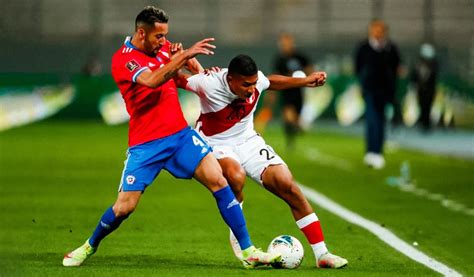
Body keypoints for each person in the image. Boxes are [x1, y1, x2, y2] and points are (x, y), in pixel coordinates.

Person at [62, 6, 280, 269]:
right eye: (158, 36)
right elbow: (153, 80)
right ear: (141, 33)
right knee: (124, 208)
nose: (163, 41)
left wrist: (197, 68)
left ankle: (248, 251)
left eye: (165, 35)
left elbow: (180, 76)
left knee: (219, 181)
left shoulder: (164, 51)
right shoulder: (124, 59)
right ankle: (89, 245)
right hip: (146, 145)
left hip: (180, 136)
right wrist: (184, 55)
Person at [183, 54, 348, 269]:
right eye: (246, 85)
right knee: (235, 177)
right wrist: (179, 57)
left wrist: (305, 81)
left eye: (253, 83)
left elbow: (271, 81)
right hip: (216, 143)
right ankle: (241, 240)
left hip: (248, 140)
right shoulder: (208, 82)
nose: (252, 89)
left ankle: (322, 253)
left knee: (286, 183)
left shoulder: (255, 81)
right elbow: (174, 77)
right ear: (231, 79)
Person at [355, 19, 401, 169]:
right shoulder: (364, 47)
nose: (378, 32)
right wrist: (362, 83)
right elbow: (358, 67)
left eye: (381, 29)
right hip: (369, 89)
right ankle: (371, 152)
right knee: (372, 120)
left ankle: (378, 152)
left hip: (386, 90)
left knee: (381, 121)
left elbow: (396, 68)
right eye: (375, 29)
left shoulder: (390, 48)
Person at [273, 32, 313, 149]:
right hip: (286, 90)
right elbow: (275, 75)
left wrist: (305, 77)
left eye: (287, 42)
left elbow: (310, 69)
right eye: (283, 43)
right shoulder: (280, 59)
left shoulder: (300, 57)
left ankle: (297, 127)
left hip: (298, 90)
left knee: (296, 116)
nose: (285, 45)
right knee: (288, 114)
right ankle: (291, 139)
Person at [410, 43, 438, 132]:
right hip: (421, 90)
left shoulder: (433, 65)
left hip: (429, 90)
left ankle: (426, 123)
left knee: (428, 106)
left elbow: (433, 78)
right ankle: (422, 122)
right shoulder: (418, 65)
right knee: (422, 105)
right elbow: (414, 76)